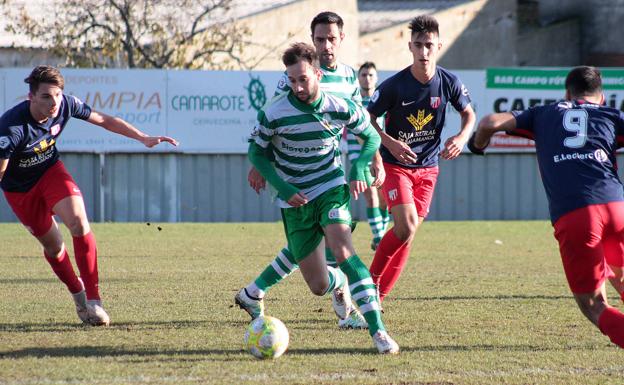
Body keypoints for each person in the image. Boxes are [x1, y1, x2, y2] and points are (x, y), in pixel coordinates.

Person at [242, 42, 399, 354]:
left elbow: (369, 136)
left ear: (316, 73)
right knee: (317, 285)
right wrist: (283, 188)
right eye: (292, 80)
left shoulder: (339, 105)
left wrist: (359, 167)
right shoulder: (273, 112)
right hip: (294, 199)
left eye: (303, 79)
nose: (298, 86)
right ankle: (339, 284)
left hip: (330, 187)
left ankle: (378, 332)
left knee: (343, 250)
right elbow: (256, 152)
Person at [0, 65, 178, 326]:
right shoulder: (10, 128)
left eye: (57, 95)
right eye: (46, 96)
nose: (54, 102)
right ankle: (78, 295)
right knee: (54, 246)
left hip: (50, 173)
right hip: (20, 191)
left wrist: (143, 138)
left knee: (79, 222)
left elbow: (105, 120)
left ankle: (95, 301)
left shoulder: (67, 105)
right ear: (31, 97)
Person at [468, 65, 624, 349]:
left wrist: (478, 145)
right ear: (601, 97)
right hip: (617, 207)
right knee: (619, 270)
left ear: (567, 93)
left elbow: (489, 122)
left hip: (577, 212)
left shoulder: (544, 113)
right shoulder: (610, 114)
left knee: (592, 304)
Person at [366, 15, 476, 304]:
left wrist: (461, 137)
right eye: (418, 45)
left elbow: (469, 113)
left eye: (429, 45)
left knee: (407, 234)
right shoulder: (394, 86)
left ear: (438, 45)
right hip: (396, 165)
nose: (424, 52)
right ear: (410, 47)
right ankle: (366, 289)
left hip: (428, 168)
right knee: (406, 227)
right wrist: (388, 142)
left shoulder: (449, 82)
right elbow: (368, 119)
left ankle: (378, 297)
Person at [347, 61, 390, 250]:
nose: (367, 78)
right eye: (363, 75)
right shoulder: (354, 104)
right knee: (371, 196)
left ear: (376, 78)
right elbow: (358, 133)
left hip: (382, 157)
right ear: (358, 78)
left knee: (384, 199)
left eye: (371, 75)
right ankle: (380, 238)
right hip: (360, 157)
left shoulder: (382, 103)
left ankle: (379, 236)